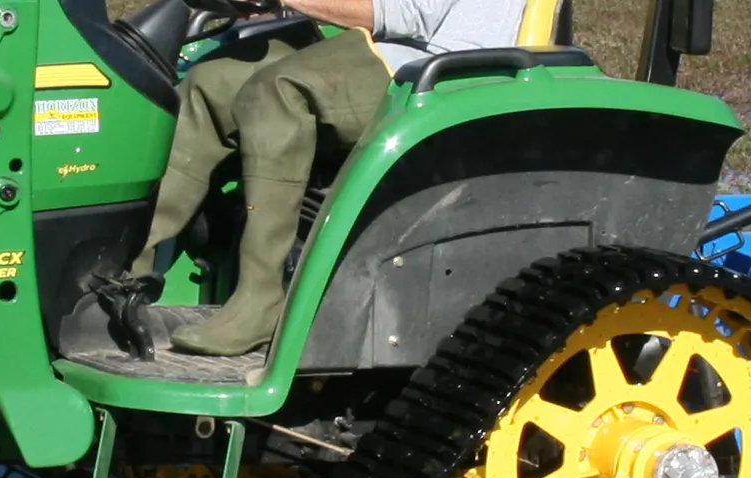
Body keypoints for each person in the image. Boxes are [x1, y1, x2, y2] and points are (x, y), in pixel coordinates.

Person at [135, 0, 529, 357]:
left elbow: (406, 13)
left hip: (447, 62)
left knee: (278, 93)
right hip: (392, 43)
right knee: (210, 84)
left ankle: (260, 298)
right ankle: (130, 272)